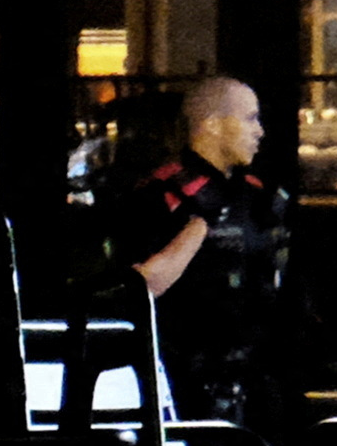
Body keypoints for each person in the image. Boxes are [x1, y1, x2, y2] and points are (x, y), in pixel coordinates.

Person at [110, 71, 298, 424]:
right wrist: (199, 226)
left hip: (257, 382)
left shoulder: (258, 196)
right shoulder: (161, 196)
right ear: (212, 125)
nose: (260, 131)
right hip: (184, 380)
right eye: (249, 118)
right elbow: (138, 287)